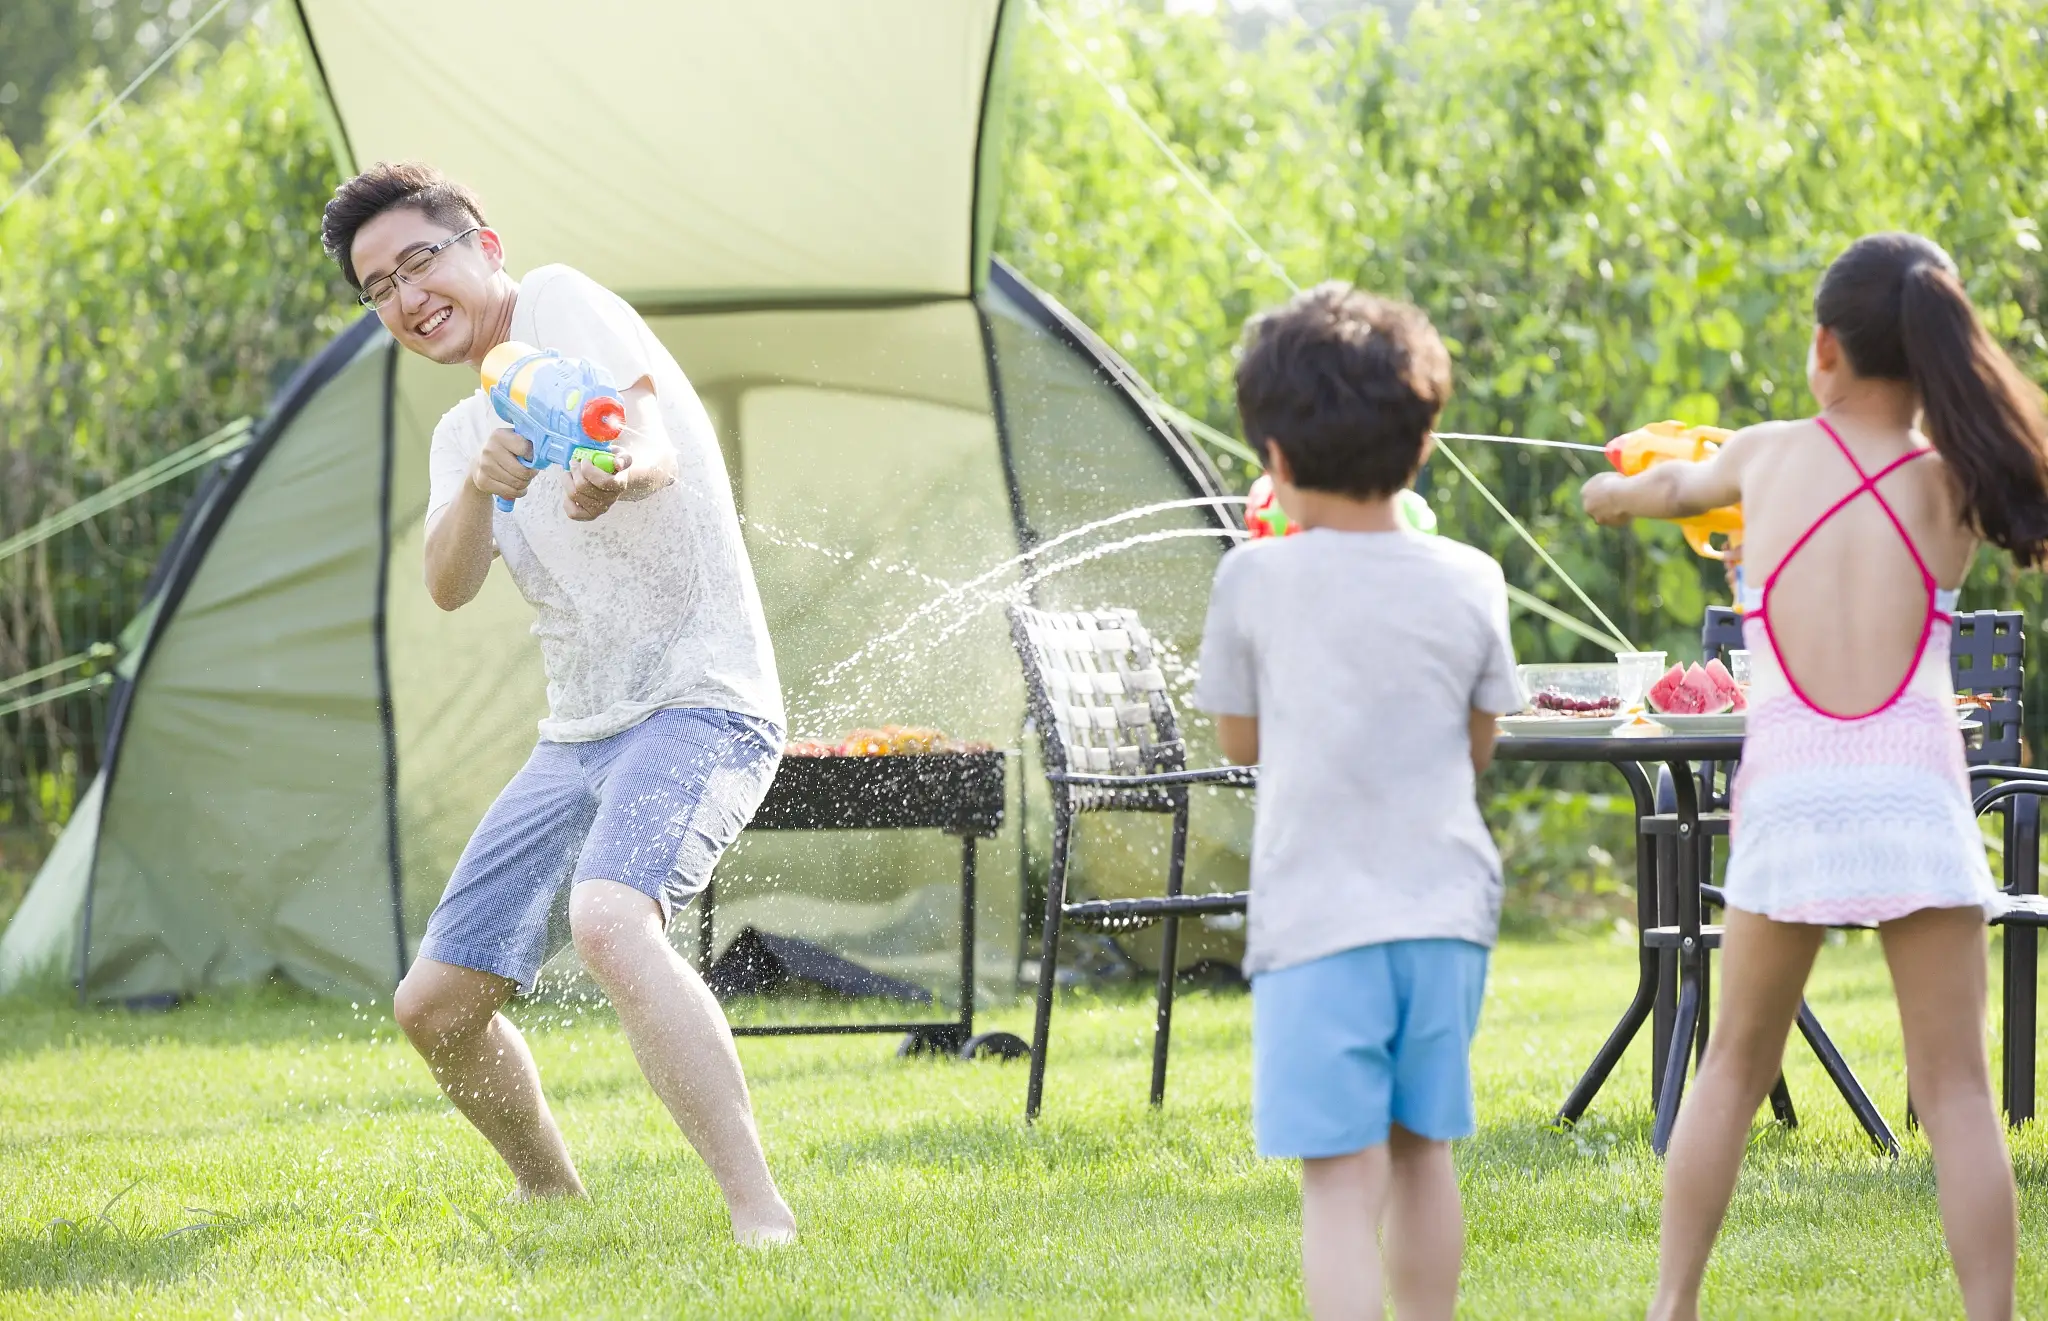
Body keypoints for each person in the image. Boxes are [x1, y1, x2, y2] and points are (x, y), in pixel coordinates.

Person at [318, 162, 796, 1244]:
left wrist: (609, 476)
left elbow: (647, 437)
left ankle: (758, 1214)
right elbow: (447, 583)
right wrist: (486, 486)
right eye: (378, 287)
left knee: (608, 922)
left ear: (481, 241)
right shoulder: (457, 436)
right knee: (431, 1007)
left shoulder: (560, 302)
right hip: (578, 734)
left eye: (418, 261)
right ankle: (549, 1191)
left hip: (701, 699)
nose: (405, 297)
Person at [1582, 231, 2048, 1321]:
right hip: (1915, 803)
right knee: (1955, 1090)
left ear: (1822, 347)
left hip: (1789, 804)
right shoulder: (1957, 483)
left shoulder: (1757, 454)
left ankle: (1670, 1307)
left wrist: (1614, 485)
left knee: (1732, 1071)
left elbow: (1660, 492)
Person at [1195, 283, 1524, 1321]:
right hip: (1442, 918)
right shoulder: (1470, 577)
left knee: (1338, 1180)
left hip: (1316, 923)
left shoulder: (1252, 579)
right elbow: (1481, 742)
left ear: (1274, 460)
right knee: (1423, 1151)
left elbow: (1238, 739)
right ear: (1422, 444)